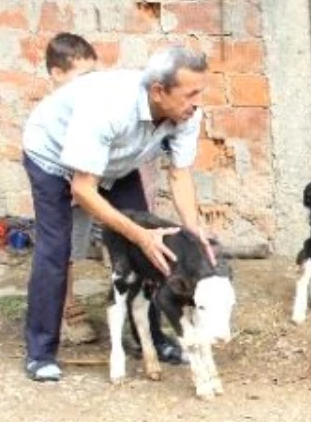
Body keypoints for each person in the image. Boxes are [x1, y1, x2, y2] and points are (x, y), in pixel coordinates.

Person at [20, 45, 215, 382]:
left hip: (117, 163)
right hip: (51, 157)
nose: (197, 102)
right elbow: (82, 189)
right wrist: (138, 234)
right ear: (158, 91)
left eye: (201, 91)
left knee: (151, 247)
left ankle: (151, 340)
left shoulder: (186, 113)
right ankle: (41, 352)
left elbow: (180, 174)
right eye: (190, 93)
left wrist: (193, 231)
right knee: (57, 248)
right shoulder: (110, 108)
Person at [43, 33, 101, 346]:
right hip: (60, 185)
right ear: (57, 74)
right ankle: (65, 309)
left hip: (90, 182)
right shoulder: (52, 111)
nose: (89, 84)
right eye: (83, 77)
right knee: (61, 249)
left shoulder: (90, 105)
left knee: (77, 247)